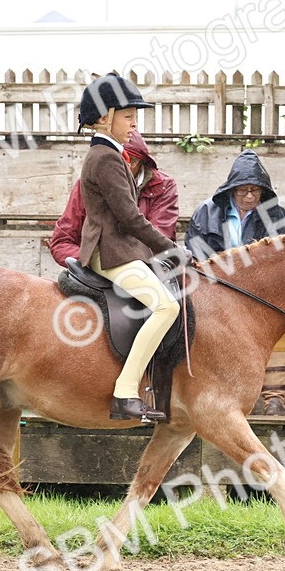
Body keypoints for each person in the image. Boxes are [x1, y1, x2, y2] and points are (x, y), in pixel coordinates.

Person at [74, 73, 183, 422]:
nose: (134, 121)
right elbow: (130, 218)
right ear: (105, 117)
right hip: (112, 252)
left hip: (118, 247)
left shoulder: (109, 153)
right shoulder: (105, 158)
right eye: (127, 115)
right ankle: (125, 391)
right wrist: (169, 249)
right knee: (167, 307)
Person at [184, 149, 285, 416]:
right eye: (243, 190)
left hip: (263, 295)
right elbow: (196, 254)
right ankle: (223, 395)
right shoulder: (206, 214)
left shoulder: (282, 218)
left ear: (264, 192)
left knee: (276, 319)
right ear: (231, 189)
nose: (249, 196)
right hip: (218, 293)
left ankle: (274, 398)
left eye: (255, 191)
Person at [48, 130, 178, 267]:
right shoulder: (89, 181)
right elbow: (62, 241)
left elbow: (159, 240)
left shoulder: (163, 186)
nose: (122, 166)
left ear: (141, 161)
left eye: (129, 160)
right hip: (93, 263)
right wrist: (90, 261)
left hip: (140, 264)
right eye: (117, 160)